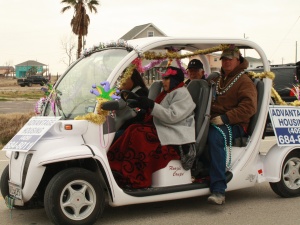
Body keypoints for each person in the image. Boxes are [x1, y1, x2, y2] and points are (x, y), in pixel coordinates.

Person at [107, 66, 196, 188]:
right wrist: (144, 106)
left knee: (139, 134)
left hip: (176, 135)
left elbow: (172, 116)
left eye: (166, 79)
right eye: (163, 78)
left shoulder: (182, 93)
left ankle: (135, 177)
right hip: (164, 128)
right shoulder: (167, 93)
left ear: (175, 79)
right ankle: (115, 166)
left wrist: (151, 105)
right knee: (133, 128)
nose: (163, 81)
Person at [207, 45, 257, 205]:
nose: (227, 62)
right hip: (214, 119)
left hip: (235, 124)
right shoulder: (218, 79)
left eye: (230, 59)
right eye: (224, 59)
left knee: (215, 137)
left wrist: (226, 118)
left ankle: (219, 189)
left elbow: (249, 107)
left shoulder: (244, 81)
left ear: (238, 60)